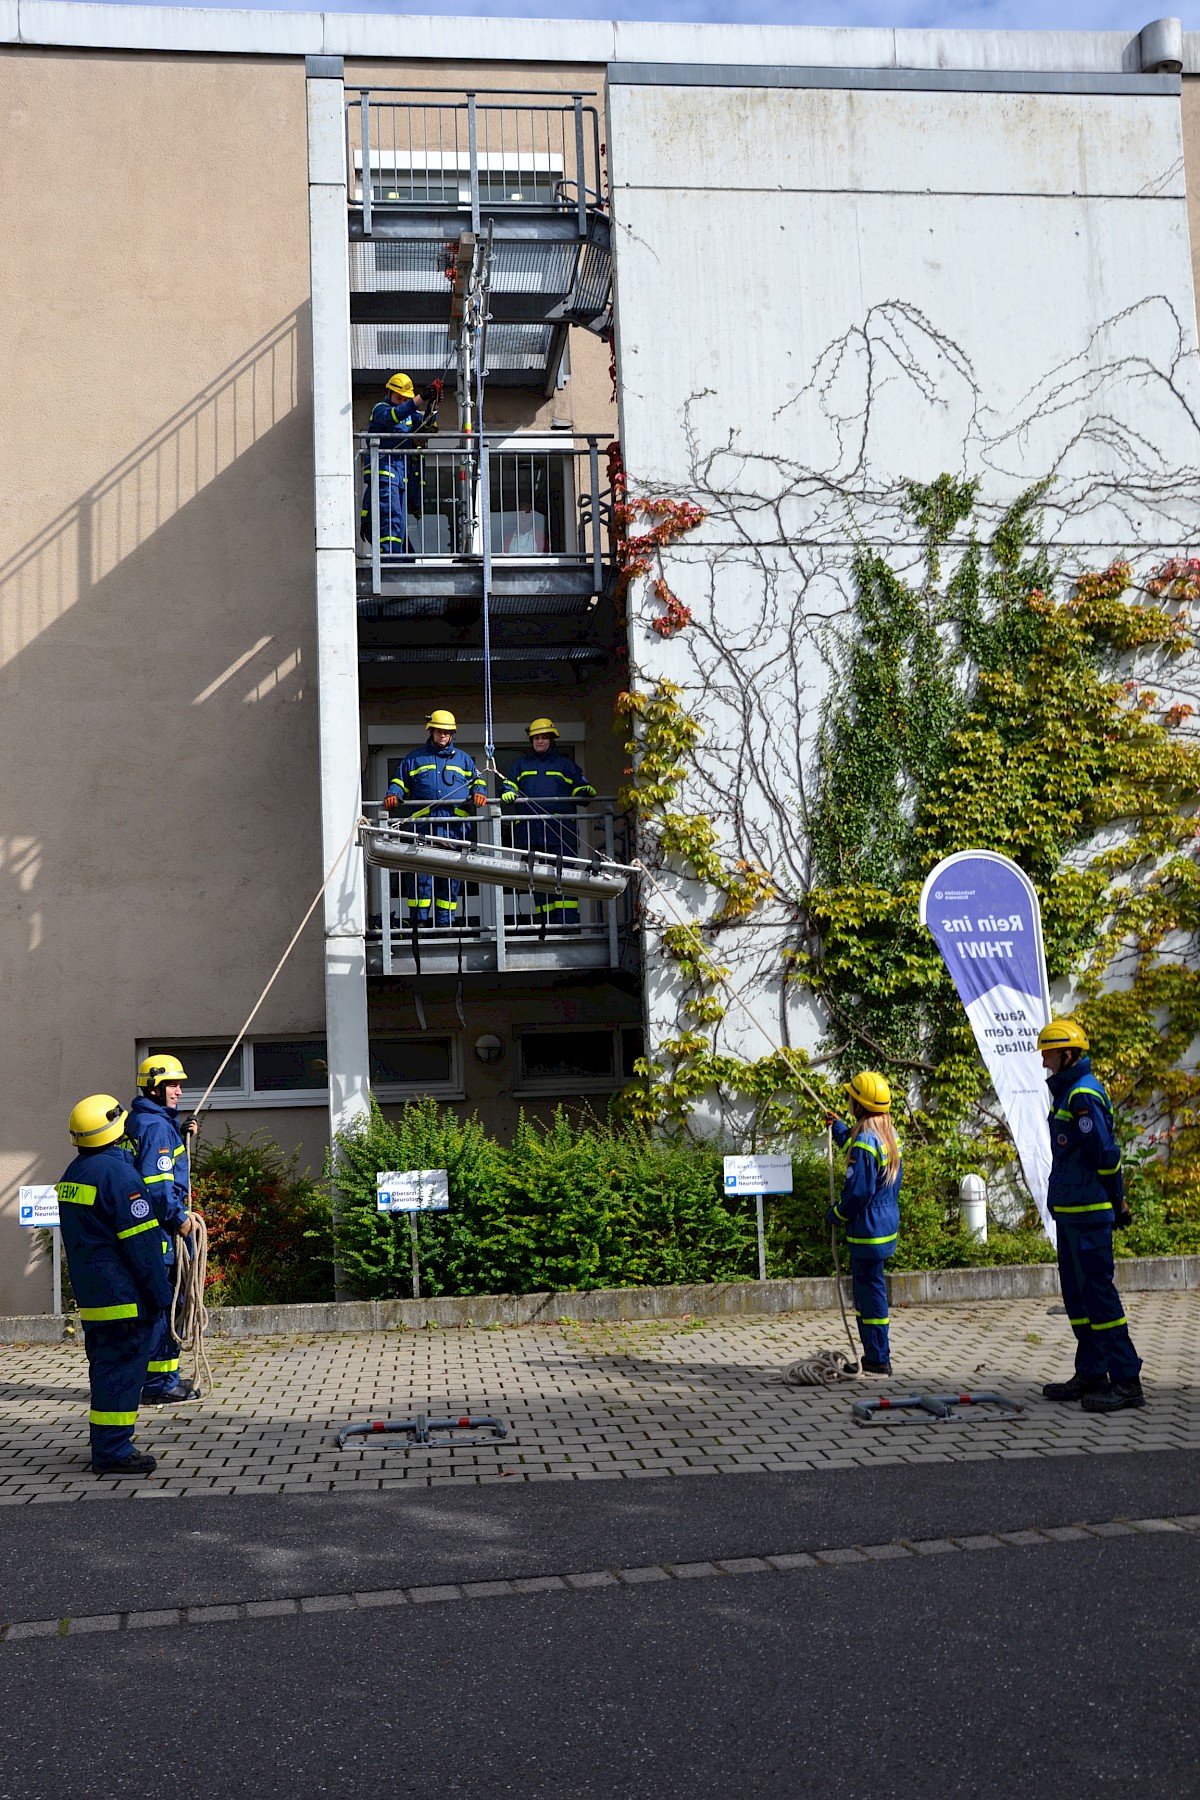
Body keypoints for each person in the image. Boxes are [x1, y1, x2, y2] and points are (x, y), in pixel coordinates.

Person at [55, 1094, 174, 1476]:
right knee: (123, 1374)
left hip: (95, 1297)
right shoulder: (120, 1177)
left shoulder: (73, 1175)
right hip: (126, 1298)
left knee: (106, 1371)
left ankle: (106, 1442)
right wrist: (161, 1294)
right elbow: (141, 1246)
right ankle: (113, 1450)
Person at [1038, 1018, 1143, 1412]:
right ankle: (1092, 1372)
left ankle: (1128, 1381)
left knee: (1099, 1299)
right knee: (1078, 1299)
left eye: (1048, 1053)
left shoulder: (1083, 1095)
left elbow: (1106, 1155)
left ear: (1068, 1054)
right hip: (1071, 1214)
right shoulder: (1067, 1093)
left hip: (1089, 1214)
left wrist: (1119, 1202)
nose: (1045, 1062)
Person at [126, 1054, 200, 1404]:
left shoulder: (145, 1121)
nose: (179, 1091)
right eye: (173, 1085)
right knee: (167, 1306)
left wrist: (182, 1133)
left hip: (150, 1234)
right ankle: (159, 1385)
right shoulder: (156, 1128)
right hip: (162, 1235)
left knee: (165, 1304)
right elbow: (157, 1187)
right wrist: (180, 1219)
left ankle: (162, 1378)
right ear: (154, 1088)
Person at [826, 1072, 902, 1375]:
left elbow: (858, 1191)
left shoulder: (866, 1143)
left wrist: (837, 1214)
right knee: (874, 1291)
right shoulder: (887, 1135)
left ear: (859, 1105)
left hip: (866, 1230)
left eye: (851, 1099)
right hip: (884, 1227)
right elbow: (859, 1147)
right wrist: (840, 1130)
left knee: (868, 1298)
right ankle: (877, 1354)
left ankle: (878, 1358)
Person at [385, 708, 487, 925]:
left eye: (447, 732)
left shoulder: (464, 760)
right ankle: (418, 926)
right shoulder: (415, 758)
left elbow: (479, 780)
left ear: (452, 734)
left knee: (449, 882)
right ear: (430, 731)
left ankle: (445, 926)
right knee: (421, 880)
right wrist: (393, 794)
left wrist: (480, 792)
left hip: (454, 830)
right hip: (423, 829)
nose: (443, 735)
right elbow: (399, 781)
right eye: (439, 731)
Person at [501, 718, 596, 928]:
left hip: (561, 833)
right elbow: (508, 784)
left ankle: (568, 927)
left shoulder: (565, 765)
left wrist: (583, 791)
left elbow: (579, 787)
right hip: (531, 834)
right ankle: (547, 926)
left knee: (565, 879)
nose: (540, 741)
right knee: (539, 882)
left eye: (544, 737)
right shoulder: (521, 764)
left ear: (552, 740)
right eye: (536, 738)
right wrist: (508, 792)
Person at [360, 372, 438, 557]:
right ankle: (389, 563)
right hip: (385, 474)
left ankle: (399, 560)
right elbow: (393, 416)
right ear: (389, 393)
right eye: (398, 398)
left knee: (399, 525)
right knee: (390, 520)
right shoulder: (380, 409)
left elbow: (425, 428)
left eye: (405, 399)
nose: (402, 402)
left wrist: (432, 405)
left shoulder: (410, 415)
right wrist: (420, 399)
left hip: (401, 477)